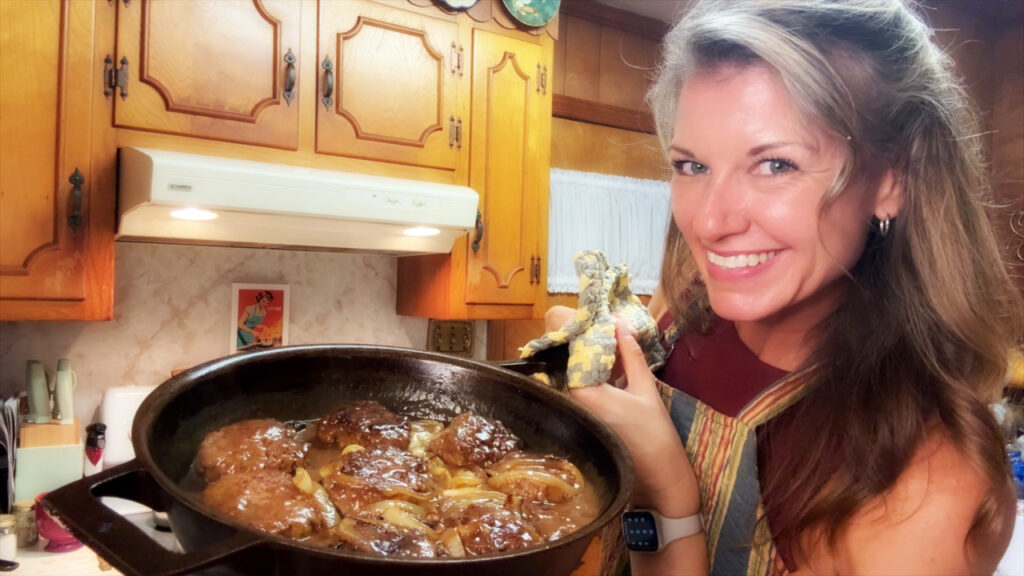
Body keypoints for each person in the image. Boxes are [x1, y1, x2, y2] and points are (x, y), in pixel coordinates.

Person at [545, 0, 1024, 573]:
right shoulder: (691, 294)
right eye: (693, 166)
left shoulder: (921, 486)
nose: (710, 223)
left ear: (891, 180)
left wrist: (663, 493)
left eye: (776, 165)